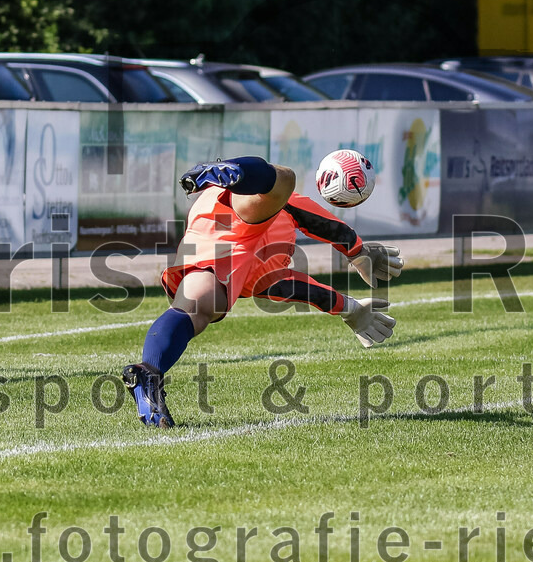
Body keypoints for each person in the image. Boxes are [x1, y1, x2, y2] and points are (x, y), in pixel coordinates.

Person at [121, 156, 404, 427]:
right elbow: (309, 216)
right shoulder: (280, 220)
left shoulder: (259, 272)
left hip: (215, 230)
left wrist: (350, 308)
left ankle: (148, 375)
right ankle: (231, 170)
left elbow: (294, 285)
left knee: (197, 309)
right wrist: (357, 251)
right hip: (235, 204)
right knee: (285, 180)